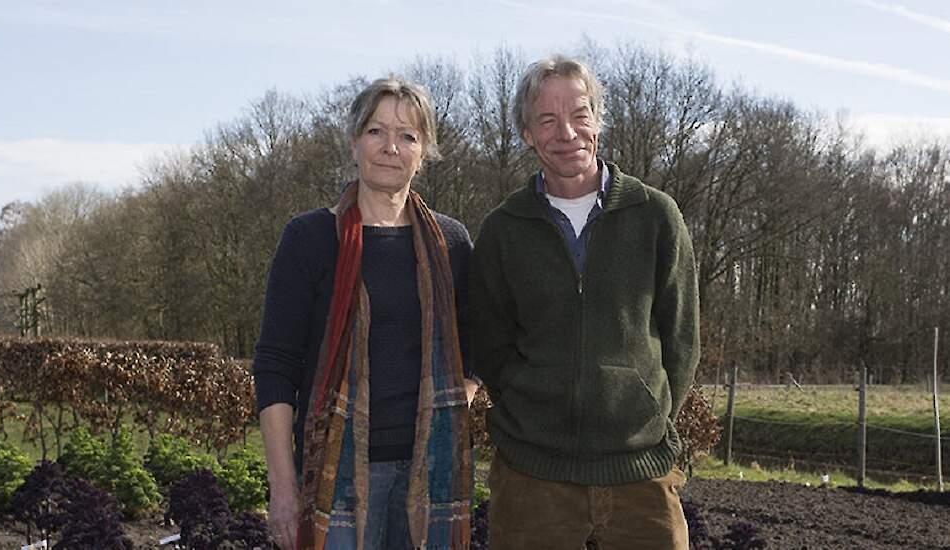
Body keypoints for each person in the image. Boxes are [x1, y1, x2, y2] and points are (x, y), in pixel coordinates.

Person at [470, 55, 700, 549]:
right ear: (527, 134)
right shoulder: (503, 230)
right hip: (532, 475)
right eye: (547, 120)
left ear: (597, 119)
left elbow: (681, 338)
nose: (567, 133)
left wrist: (647, 411)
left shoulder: (655, 216)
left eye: (579, 115)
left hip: (641, 473)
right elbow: (488, 340)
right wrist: (528, 397)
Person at [252, 76, 479, 550]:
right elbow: (275, 367)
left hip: (429, 476)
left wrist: (445, 418)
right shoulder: (311, 239)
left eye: (407, 135)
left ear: (424, 152)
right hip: (337, 479)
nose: (390, 147)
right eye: (376, 131)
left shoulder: (452, 243)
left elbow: (477, 352)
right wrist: (283, 486)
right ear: (354, 141)